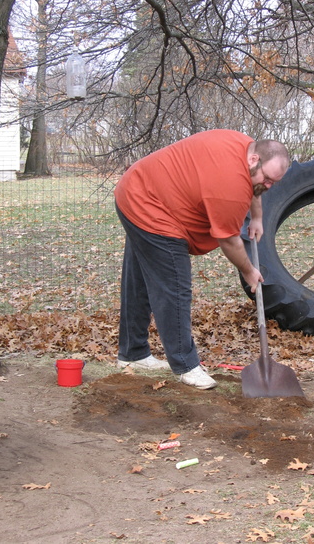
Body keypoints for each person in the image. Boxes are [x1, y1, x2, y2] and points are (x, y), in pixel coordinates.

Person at [114, 129, 289, 389]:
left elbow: (256, 186)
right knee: (173, 287)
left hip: (140, 188)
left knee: (139, 281)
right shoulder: (229, 186)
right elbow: (229, 240)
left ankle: (133, 353)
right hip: (150, 206)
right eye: (268, 178)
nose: (268, 185)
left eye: (275, 182)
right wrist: (249, 270)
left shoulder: (244, 147)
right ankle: (186, 365)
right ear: (254, 160)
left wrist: (258, 217)